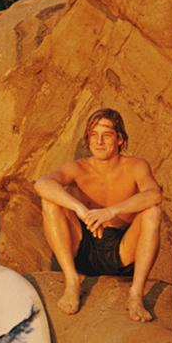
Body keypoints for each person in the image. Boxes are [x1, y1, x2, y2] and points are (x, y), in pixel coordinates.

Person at [35, 108, 162, 322]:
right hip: (81, 246)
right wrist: (80, 210)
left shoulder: (136, 166)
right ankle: (72, 280)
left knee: (152, 212)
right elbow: (42, 183)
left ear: (120, 139)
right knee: (50, 200)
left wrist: (111, 211)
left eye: (107, 135)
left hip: (121, 250)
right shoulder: (77, 168)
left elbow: (154, 195)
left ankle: (136, 295)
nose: (99, 142)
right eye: (93, 135)